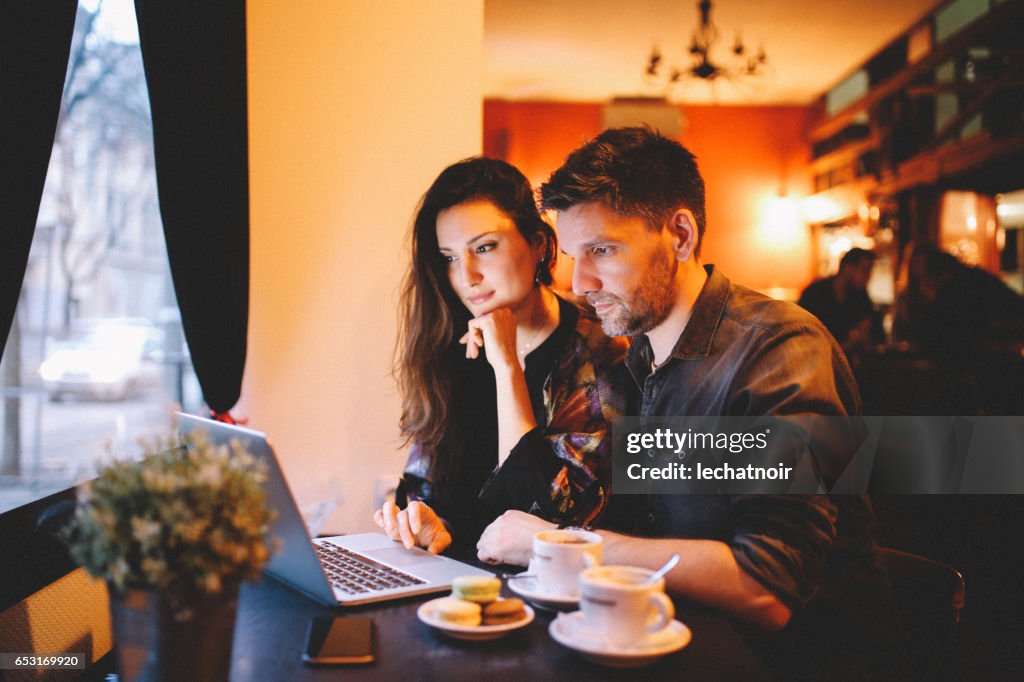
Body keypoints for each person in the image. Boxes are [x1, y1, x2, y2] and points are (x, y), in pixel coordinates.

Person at [476, 128, 901, 675]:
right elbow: (577, 502)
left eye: (602, 250)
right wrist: (505, 361)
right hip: (681, 646)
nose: (579, 281)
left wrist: (566, 545)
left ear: (679, 234)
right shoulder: (639, 357)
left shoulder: (779, 349)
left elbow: (766, 585)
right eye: (574, 256)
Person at [374, 157, 629, 557]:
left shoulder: (597, 352)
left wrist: (506, 365)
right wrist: (427, 523)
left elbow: (554, 517)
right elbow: (424, 488)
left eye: (485, 247)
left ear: (539, 245)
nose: (467, 275)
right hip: (454, 583)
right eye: (450, 257)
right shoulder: (454, 342)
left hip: (545, 594)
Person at [798, 247, 877, 356]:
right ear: (847, 268)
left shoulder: (862, 297)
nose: (868, 277)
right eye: (865, 270)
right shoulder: (815, 294)